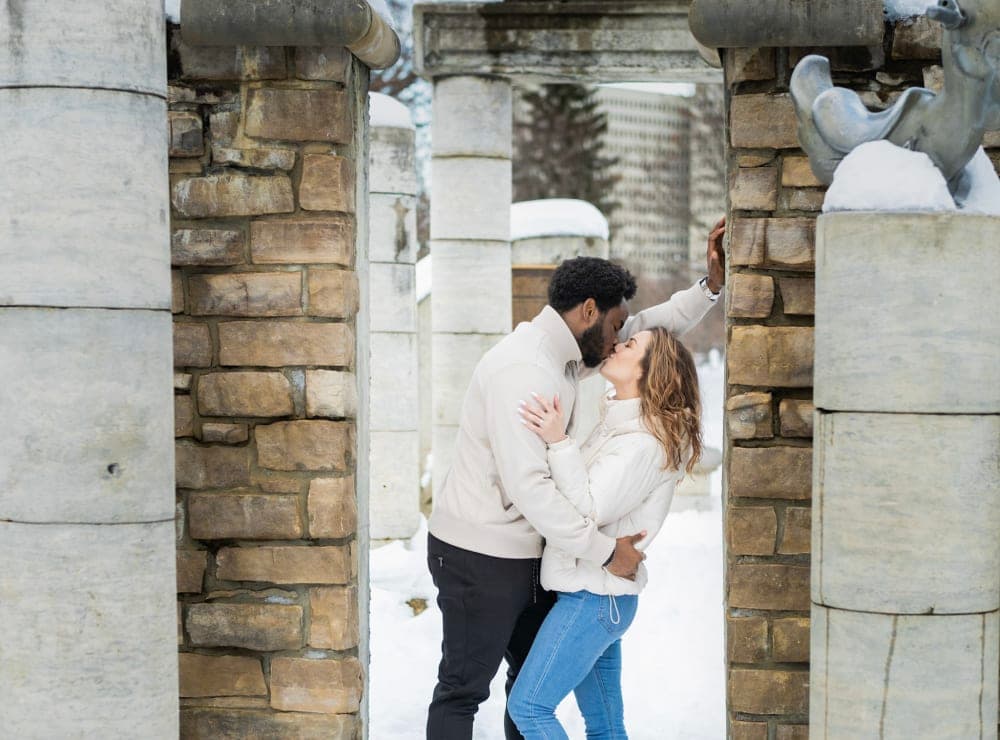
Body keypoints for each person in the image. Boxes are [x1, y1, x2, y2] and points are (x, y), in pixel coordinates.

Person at [426, 219, 726, 740]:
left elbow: (656, 330)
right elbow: (532, 489)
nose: (619, 340)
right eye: (616, 328)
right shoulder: (525, 371)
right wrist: (607, 552)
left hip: (541, 556)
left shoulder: (575, 353)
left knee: (529, 691)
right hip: (483, 555)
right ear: (589, 311)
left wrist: (711, 288)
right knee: (465, 691)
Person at [507, 326, 702, 739]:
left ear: (651, 371)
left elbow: (586, 508)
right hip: (598, 598)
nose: (618, 345)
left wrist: (558, 441)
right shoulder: (620, 427)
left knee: (529, 706)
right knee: (606, 726)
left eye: (631, 346)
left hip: (592, 600)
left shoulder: (643, 444)